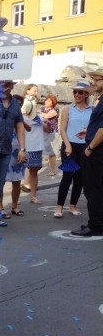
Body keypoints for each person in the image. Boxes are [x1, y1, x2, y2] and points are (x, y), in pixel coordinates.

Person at [0, 81, 28, 226]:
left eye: (8, 84)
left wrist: (22, 149)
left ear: (12, 86)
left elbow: (20, 126)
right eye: (2, 84)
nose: (5, 87)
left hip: (5, 150)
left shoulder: (15, 103)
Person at [54, 81, 92, 219]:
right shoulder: (67, 109)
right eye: (74, 92)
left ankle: (73, 206)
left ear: (86, 94)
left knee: (80, 178)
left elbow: (94, 129)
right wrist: (67, 145)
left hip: (85, 147)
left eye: (80, 92)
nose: (76, 94)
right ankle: (59, 207)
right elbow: (62, 129)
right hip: (69, 146)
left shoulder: (92, 110)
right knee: (67, 177)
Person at [70, 73, 102, 236]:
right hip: (96, 149)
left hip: (96, 152)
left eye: (97, 80)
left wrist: (89, 148)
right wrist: (88, 131)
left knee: (92, 189)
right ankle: (98, 223)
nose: (94, 82)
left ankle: (96, 225)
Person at [21, 84, 44, 204]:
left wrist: (44, 122)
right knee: (17, 172)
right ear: (28, 91)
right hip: (24, 145)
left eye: (37, 91)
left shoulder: (37, 111)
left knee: (34, 172)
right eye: (34, 91)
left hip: (36, 145)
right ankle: (16, 198)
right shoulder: (25, 105)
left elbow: (46, 128)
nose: (36, 93)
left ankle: (33, 196)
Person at [40, 95, 60, 177]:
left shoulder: (55, 109)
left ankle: (52, 170)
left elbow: (46, 116)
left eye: (49, 101)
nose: (46, 102)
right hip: (42, 132)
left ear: (53, 102)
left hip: (52, 133)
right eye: (46, 100)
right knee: (40, 150)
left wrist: (41, 114)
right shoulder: (42, 109)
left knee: (52, 152)